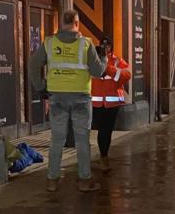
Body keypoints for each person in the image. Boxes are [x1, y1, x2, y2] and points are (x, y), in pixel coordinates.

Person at [28, 10, 107, 192]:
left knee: (57, 139)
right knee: (82, 140)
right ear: (77, 23)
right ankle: (84, 180)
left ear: (61, 23)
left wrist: (41, 87)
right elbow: (97, 72)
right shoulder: (85, 44)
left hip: (57, 98)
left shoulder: (49, 43)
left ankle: (52, 180)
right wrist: (102, 57)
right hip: (80, 98)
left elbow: (33, 64)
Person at [91, 36, 131, 172]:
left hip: (112, 104)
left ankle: (104, 156)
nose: (105, 48)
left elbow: (126, 75)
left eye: (108, 46)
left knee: (107, 132)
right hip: (96, 103)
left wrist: (108, 69)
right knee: (101, 131)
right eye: (103, 45)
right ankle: (103, 157)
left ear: (111, 47)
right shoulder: (92, 60)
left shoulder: (117, 61)